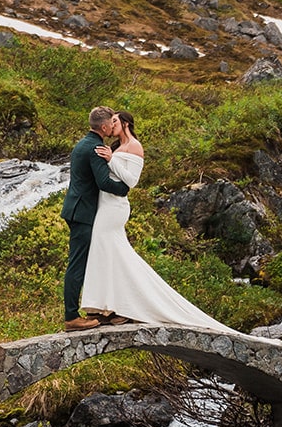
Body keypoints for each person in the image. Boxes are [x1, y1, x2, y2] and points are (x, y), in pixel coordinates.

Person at [79, 109, 238, 332]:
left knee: (108, 249)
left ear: (125, 123)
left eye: (115, 121)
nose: (111, 125)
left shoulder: (134, 146)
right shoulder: (114, 147)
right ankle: (108, 307)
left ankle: (121, 305)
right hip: (104, 204)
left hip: (115, 207)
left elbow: (131, 181)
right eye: (110, 121)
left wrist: (112, 160)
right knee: (107, 252)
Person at [60, 105, 130, 331]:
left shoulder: (82, 144)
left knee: (82, 262)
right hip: (82, 212)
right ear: (103, 126)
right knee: (77, 265)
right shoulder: (96, 148)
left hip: (75, 208)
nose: (113, 126)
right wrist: (125, 188)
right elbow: (104, 183)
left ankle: (98, 309)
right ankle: (71, 317)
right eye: (111, 123)